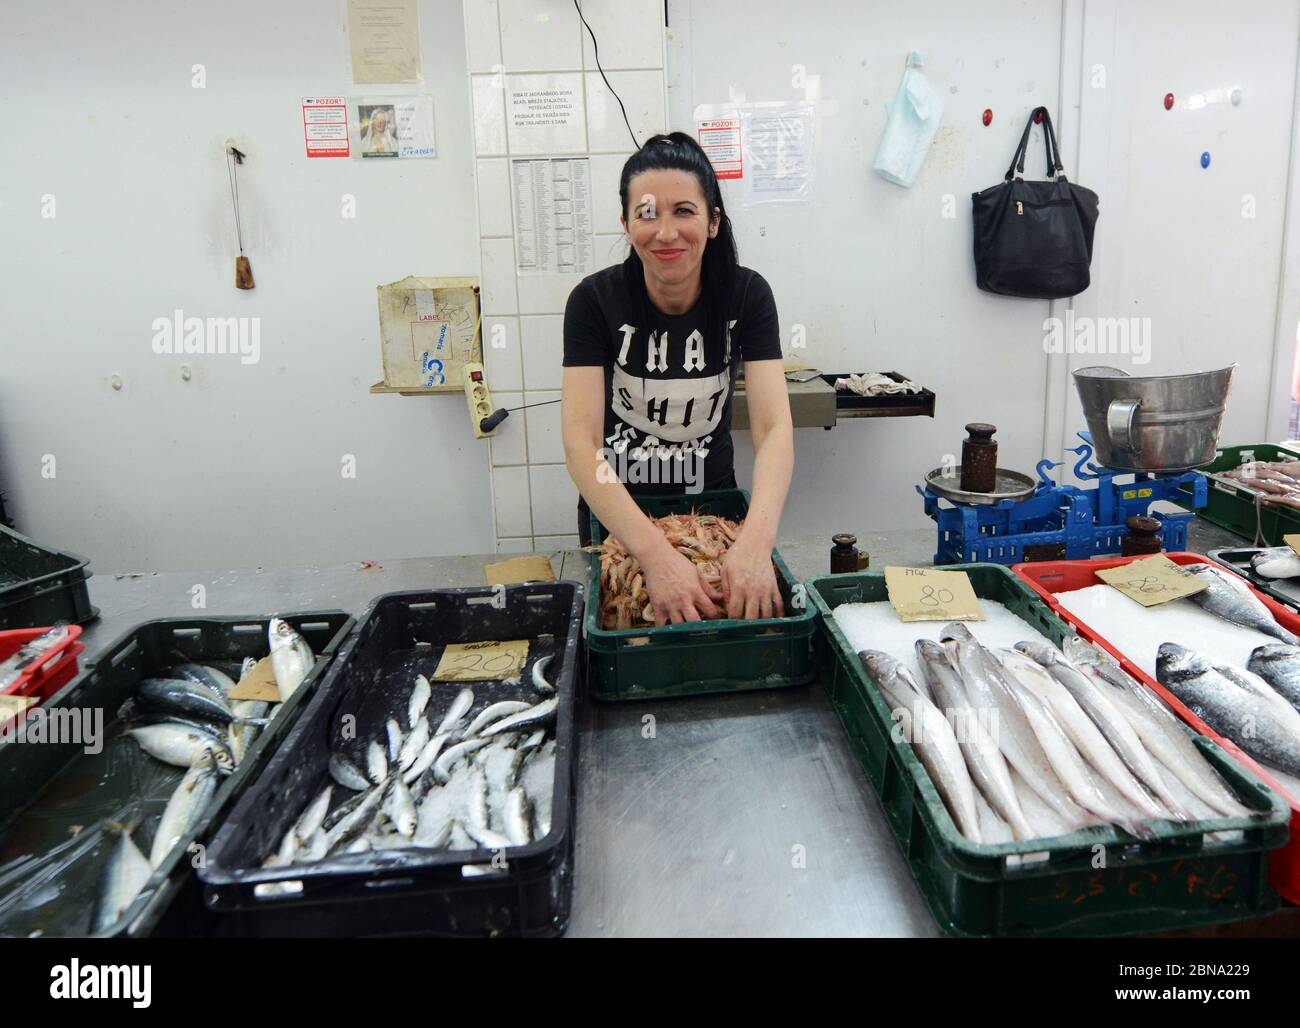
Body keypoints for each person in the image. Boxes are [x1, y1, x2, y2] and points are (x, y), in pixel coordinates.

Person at [561, 132, 793, 625]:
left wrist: (754, 541)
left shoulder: (747, 296)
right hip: (619, 519)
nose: (665, 232)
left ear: (712, 222)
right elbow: (582, 445)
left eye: (683, 211)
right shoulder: (593, 302)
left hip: (715, 511)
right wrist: (653, 554)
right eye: (647, 213)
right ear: (625, 224)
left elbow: (774, 430)